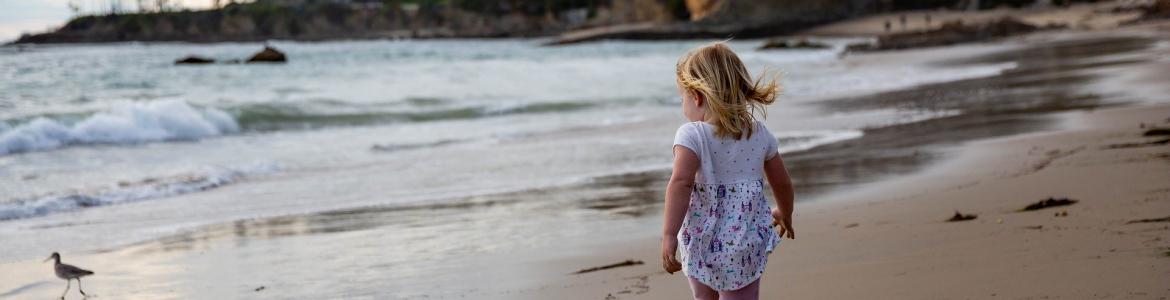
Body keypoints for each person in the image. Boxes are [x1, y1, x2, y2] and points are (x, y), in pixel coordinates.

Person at [661, 42, 796, 300]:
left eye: (683, 99)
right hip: (744, 241)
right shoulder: (760, 134)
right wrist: (785, 212)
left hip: (700, 239)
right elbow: (782, 182)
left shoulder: (692, 134)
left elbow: (680, 183)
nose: (683, 106)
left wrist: (668, 234)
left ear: (697, 96)